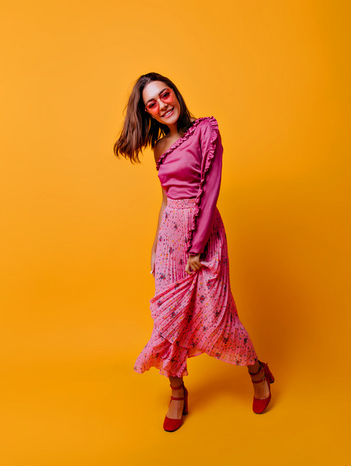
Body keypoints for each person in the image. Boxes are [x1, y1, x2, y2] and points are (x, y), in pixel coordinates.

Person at [113, 72, 274, 432]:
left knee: (218, 317)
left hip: (204, 234)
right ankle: (177, 392)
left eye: (164, 94)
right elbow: (166, 199)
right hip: (171, 236)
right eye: (151, 104)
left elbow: (211, 189)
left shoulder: (206, 130)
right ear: (148, 113)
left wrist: (197, 248)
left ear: (175, 92)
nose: (161, 105)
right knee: (167, 319)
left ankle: (257, 370)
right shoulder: (157, 146)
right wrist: (156, 246)